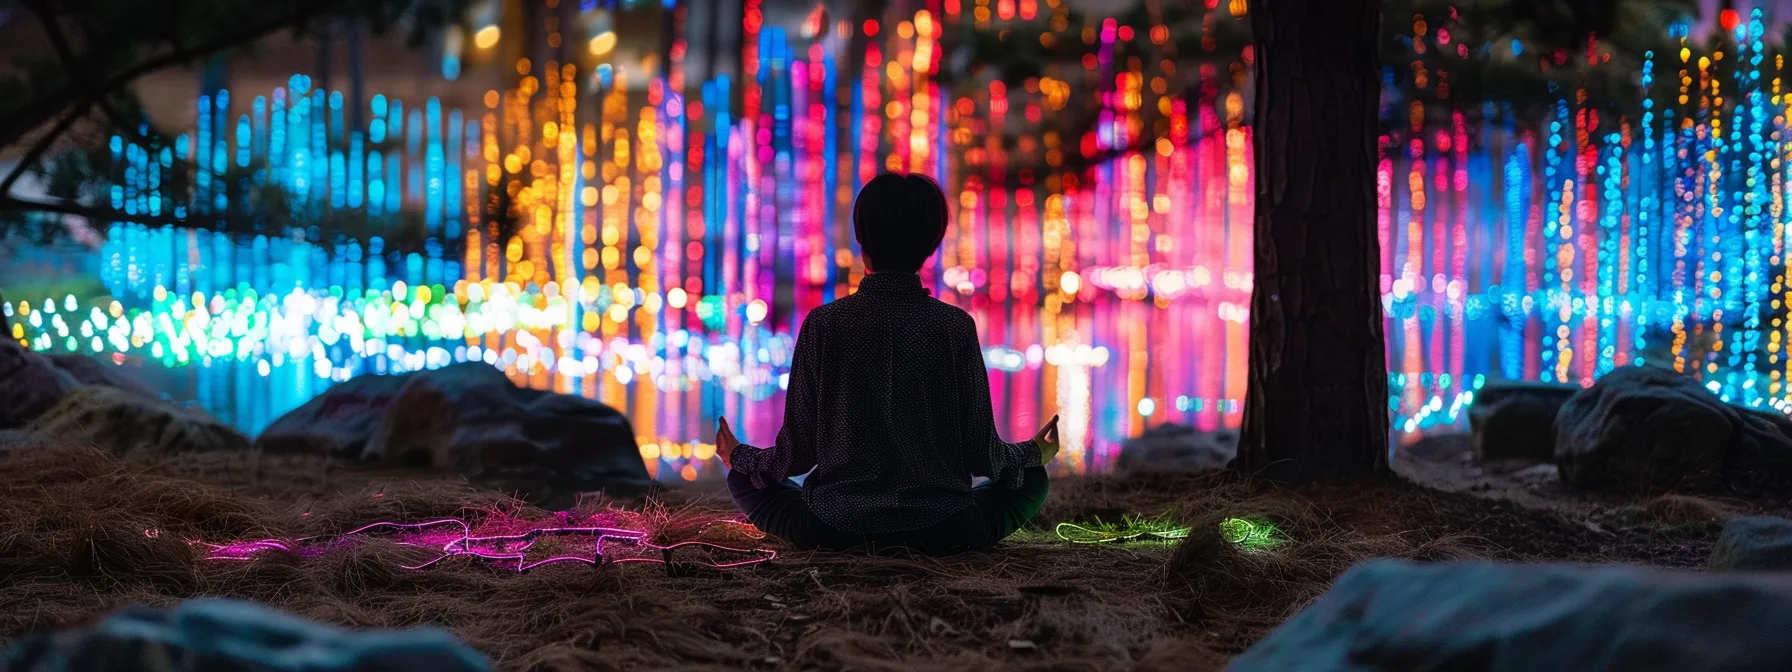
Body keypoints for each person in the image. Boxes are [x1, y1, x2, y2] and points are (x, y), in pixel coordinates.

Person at [716, 172, 1059, 555]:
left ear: (863, 243)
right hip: (946, 528)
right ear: (931, 246)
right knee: (1032, 480)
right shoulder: (954, 327)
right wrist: (1032, 454)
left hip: (833, 528)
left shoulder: (824, 324)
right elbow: (985, 456)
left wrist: (739, 457)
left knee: (743, 479)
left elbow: (796, 456)